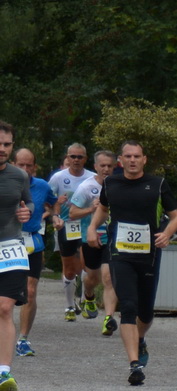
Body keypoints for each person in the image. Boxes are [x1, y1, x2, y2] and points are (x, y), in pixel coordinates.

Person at [89, 142, 177, 385]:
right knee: (128, 306)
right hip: (120, 254)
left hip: (149, 255)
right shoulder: (111, 183)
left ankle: (139, 340)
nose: (132, 160)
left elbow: (175, 217)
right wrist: (91, 227)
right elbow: (103, 209)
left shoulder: (158, 184)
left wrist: (167, 233)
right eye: (128, 156)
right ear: (120, 160)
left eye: (136, 156)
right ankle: (134, 365)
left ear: (144, 159)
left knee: (146, 311)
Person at [0, 123, 34, 391]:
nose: (2, 149)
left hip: (10, 246)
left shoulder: (19, 175)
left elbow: (29, 204)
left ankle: (3, 373)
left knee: (4, 307)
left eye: (6, 144)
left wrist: (26, 213)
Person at [68, 151, 116, 333]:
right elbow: (72, 213)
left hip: (112, 238)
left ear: (115, 167)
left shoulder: (119, 185)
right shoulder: (86, 187)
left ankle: (108, 319)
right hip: (91, 238)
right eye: (102, 166)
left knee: (108, 278)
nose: (106, 169)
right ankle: (88, 295)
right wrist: (91, 209)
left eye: (109, 166)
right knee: (93, 278)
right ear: (95, 167)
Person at [13, 148, 51, 357]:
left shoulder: (43, 186)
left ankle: (23, 339)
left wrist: (55, 216)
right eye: (21, 165)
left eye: (29, 165)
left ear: (35, 167)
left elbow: (54, 205)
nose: (25, 169)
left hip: (32, 244)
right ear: (13, 164)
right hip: (7, 241)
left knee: (30, 291)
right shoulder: (6, 182)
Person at [47, 144, 91, 321]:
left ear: (85, 159)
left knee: (87, 265)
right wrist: (55, 215)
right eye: (73, 156)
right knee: (70, 269)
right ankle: (69, 306)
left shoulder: (92, 178)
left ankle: (85, 300)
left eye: (80, 157)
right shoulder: (58, 177)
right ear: (67, 157)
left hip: (87, 226)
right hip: (67, 226)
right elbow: (49, 200)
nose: (76, 160)